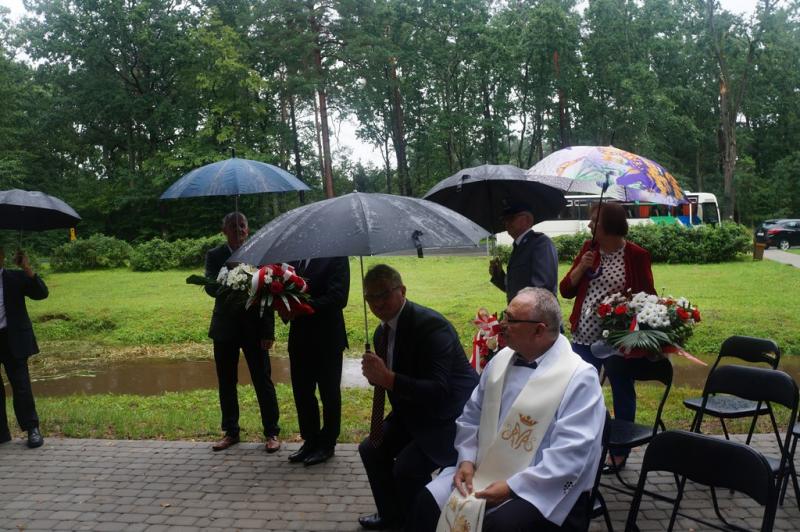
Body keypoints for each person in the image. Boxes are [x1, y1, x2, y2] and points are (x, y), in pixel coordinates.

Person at [411, 287, 605, 532]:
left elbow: (572, 453)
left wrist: (513, 488)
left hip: (543, 486)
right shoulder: (501, 361)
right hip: (482, 470)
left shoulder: (579, 377)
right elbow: (471, 417)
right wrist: (467, 460)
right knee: (427, 503)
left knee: (499, 525)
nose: (501, 324)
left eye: (511, 320)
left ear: (539, 330)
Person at [358, 264, 478, 531]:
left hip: (449, 417)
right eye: (370, 297)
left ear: (402, 291)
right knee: (371, 448)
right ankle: (391, 516)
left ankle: (418, 522)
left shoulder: (431, 327)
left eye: (384, 294)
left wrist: (388, 378)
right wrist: (377, 376)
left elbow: (439, 390)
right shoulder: (381, 333)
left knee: (406, 468)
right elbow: (393, 382)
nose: (377, 303)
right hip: (413, 412)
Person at [559, 201, 655, 472]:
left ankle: (619, 451)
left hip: (616, 342)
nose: (589, 225)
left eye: (594, 221)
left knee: (622, 391)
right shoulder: (588, 249)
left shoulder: (636, 255)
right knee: (578, 391)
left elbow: (648, 296)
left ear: (609, 226)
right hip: (583, 336)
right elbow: (565, 290)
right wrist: (581, 267)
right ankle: (579, 445)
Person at [205, 212, 281, 453]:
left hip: (254, 328)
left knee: (262, 380)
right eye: (233, 226)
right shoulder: (215, 255)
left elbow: (268, 292)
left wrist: (268, 331)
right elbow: (209, 288)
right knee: (226, 381)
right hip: (224, 328)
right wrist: (229, 272)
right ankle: (231, 432)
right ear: (224, 230)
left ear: (248, 229)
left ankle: (272, 432)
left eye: (242, 225)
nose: (238, 229)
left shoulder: (259, 253)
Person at [285, 256, 350, 467]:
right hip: (299, 338)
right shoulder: (294, 257)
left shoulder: (337, 256)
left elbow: (339, 298)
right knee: (302, 392)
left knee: (329, 393)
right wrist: (282, 305)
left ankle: (327, 444)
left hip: (327, 338)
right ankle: (310, 440)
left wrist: (303, 307)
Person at [0, 247, 48, 448]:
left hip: (13, 338)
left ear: (2, 257)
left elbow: (41, 293)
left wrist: (27, 269)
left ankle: (32, 428)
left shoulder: (16, 277)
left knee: (21, 386)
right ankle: (1, 433)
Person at [489, 202, 559, 302]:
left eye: (511, 218)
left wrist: (516, 309)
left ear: (527, 220)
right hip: (520, 311)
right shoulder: (519, 246)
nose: (506, 223)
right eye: (504, 220)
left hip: (536, 312)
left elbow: (542, 291)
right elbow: (514, 289)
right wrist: (498, 275)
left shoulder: (541, 244)